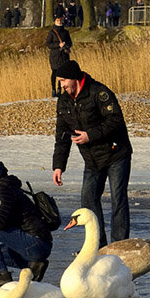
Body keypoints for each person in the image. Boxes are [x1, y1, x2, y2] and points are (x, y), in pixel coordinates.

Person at [51, 59, 132, 248]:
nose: (62, 86)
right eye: (60, 82)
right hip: (92, 158)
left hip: (116, 153)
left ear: (74, 78)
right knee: (87, 200)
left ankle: (119, 246)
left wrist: (90, 135)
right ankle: (97, 245)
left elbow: (116, 120)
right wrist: (58, 166)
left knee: (117, 199)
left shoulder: (99, 92)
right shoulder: (64, 100)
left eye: (63, 81)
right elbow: (61, 134)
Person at [46, 15, 72, 97]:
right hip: (55, 55)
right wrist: (58, 45)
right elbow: (48, 44)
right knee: (54, 72)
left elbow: (70, 43)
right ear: (55, 21)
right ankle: (53, 89)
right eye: (58, 21)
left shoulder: (65, 32)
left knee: (63, 73)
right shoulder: (52, 32)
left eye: (60, 20)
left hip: (64, 55)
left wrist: (66, 45)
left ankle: (59, 89)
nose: (59, 22)